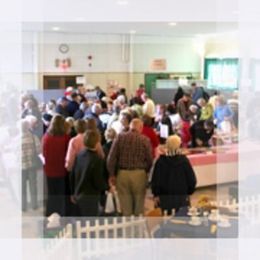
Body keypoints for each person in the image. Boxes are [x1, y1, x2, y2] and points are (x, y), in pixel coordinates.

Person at [107, 118, 153, 216]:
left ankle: (128, 229)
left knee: (125, 208)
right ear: (140, 128)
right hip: (139, 174)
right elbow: (150, 159)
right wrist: (147, 171)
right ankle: (137, 229)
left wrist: (112, 174)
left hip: (122, 174)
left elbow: (111, 158)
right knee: (139, 206)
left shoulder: (119, 137)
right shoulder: (145, 140)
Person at [151, 135, 197, 214]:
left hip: (164, 197)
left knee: (165, 220)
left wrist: (156, 194)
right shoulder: (184, 161)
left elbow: (155, 180)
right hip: (181, 196)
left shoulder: (160, 162)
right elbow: (192, 180)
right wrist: (188, 192)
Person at [70, 130, 108, 216]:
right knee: (90, 221)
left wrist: (72, 192)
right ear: (97, 142)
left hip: (78, 192)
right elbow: (97, 180)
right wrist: (106, 187)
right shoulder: (97, 159)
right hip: (90, 196)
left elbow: (72, 174)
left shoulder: (79, 154)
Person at [42, 115, 70, 216]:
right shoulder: (66, 138)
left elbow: (44, 153)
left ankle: (50, 214)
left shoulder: (46, 137)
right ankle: (60, 215)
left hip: (49, 170)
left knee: (51, 195)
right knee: (61, 195)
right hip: (61, 170)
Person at [21, 119, 41, 211]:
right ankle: (34, 205)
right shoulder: (34, 137)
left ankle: (23, 206)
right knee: (33, 186)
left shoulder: (17, 139)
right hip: (32, 164)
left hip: (21, 166)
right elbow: (39, 150)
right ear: (28, 127)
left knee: (22, 187)